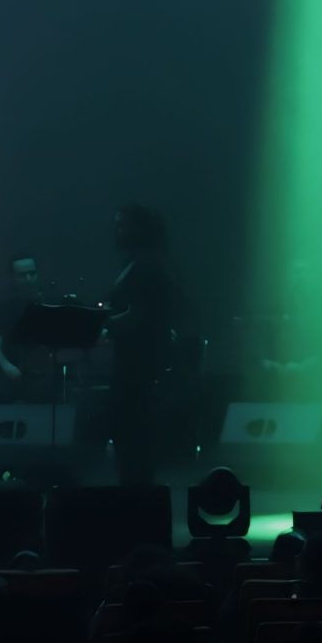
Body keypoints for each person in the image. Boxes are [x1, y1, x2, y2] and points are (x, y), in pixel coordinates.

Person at [106, 206, 186, 486]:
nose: (116, 231)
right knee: (134, 441)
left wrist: (103, 324)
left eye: (122, 225)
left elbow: (140, 315)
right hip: (137, 366)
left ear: (137, 229)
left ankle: (136, 497)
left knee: (134, 440)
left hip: (138, 369)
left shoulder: (146, 266)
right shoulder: (146, 263)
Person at [0, 253, 52, 396]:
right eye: (22, 275)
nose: (28, 279)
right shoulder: (3, 308)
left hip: (41, 373)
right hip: (11, 370)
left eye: (32, 273)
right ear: (13, 277)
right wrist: (6, 366)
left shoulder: (48, 302)